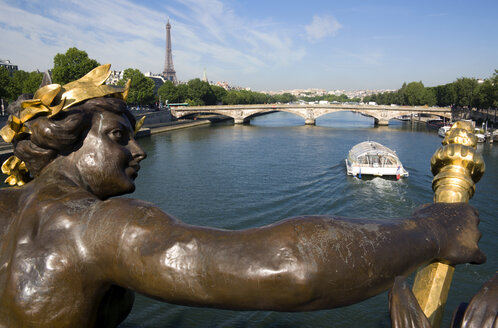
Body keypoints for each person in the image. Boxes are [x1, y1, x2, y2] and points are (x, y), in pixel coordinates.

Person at [0, 65, 485, 328]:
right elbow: (291, 268)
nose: (136, 150)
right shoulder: (96, 228)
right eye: (117, 136)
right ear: (67, 137)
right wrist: (429, 230)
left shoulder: (7, 207)